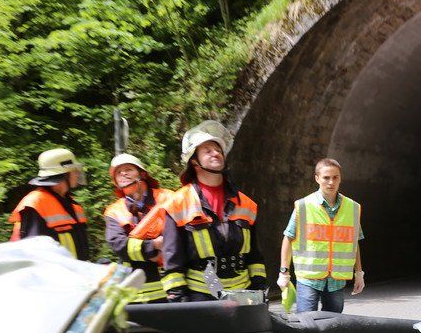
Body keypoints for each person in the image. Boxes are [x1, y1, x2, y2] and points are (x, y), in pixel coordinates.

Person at [159, 121, 266, 302]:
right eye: (207, 151)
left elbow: (255, 255)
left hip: (243, 294)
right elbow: (172, 259)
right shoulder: (178, 203)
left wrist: (259, 286)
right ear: (194, 161)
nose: (215, 153)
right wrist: (178, 297)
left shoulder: (246, 203)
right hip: (201, 296)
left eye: (218, 150)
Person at [278, 158, 365, 313]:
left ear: (340, 178)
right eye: (326, 177)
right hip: (308, 278)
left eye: (335, 177)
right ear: (317, 178)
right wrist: (284, 272)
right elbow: (288, 237)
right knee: (306, 322)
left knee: (333, 323)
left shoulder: (352, 208)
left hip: (336, 281)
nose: (331, 182)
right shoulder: (303, 206)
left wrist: (359, 273)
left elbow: (354, 243)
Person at [103, 154, 172, 303]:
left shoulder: (168, 198)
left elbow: (182, 230)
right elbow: (118, 245)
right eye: (118, 172)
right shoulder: (114, 211)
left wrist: (164, 246)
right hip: (137, 293)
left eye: (128, 169)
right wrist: (153, 246)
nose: (123, 173)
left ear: (142, 174)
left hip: (172, 285)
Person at [9, 148, 89, 260]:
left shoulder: (72, 204)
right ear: (64, 174)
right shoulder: (36, 204)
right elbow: (36, 254)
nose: (77, 174)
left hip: (76, 269)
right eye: (74, 170)